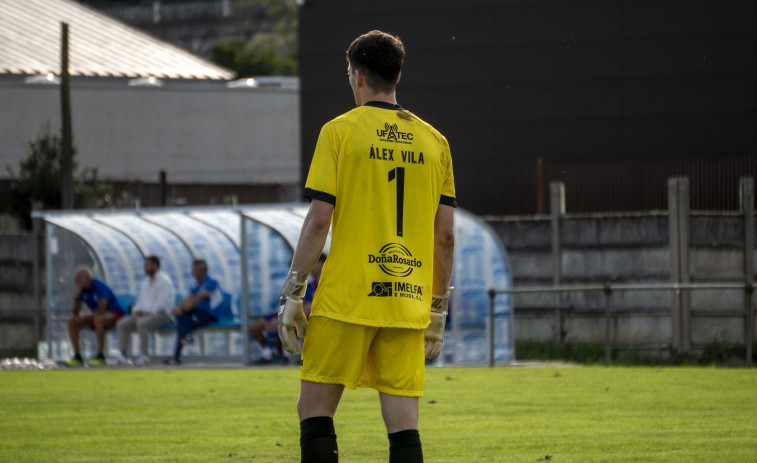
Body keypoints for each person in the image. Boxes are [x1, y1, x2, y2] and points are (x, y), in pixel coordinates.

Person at [277, 30, 456, 462]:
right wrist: (438, 306)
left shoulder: (339, 132)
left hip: (347, 296)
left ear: (357, 76)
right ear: (396, 75)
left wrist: (294, 292)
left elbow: (319, 220)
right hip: (406, 299)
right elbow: (446, 238)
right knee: (403, 420)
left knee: (315, 410)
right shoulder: (435, 142)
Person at [250, 255, 326, 364]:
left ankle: (276, 354)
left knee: (276, 324)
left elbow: (306, 305)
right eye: (291, 268)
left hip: (301, 315)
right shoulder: (299, 281)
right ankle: (274, 353)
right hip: (288, 312)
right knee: (255, 327)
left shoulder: (313, 282)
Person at [114, 255, 175, 366]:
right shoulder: (145, 282)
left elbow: (161, 305)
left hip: (163, 315)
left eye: (147, 265)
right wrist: (136, 312)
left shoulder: (164, 281)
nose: (145, 268)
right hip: (144, 315)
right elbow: (140, 302)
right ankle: (122, 355)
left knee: (142, 323)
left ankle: (144, 356)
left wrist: (142, 315)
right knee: (122, 324)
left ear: (155, 266)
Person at [164, 259, 223, 365]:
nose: (192, 272)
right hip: (198, 311)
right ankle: (186, 337)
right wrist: (177, 308)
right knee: (181, 319)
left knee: (182, 324)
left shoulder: (211, 282)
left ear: (202, 270)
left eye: (194, 269)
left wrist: (181, 310)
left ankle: (176, 356)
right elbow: (188, 298)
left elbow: (196, 299)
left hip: (210, 313)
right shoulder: (195, 283)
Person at [65, 267, 125, 367]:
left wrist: (87, 317)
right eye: (76, 279)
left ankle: (100, 356)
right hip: (96, 315)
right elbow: (75, 312)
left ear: (87, 278)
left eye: (79, 278)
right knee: (72, 321)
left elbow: (102, 309)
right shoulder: (82, 290)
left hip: (113, 313)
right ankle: (77, 356)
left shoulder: (99, 286)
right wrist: (77, 296)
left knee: (98, 319)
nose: (76, 281)